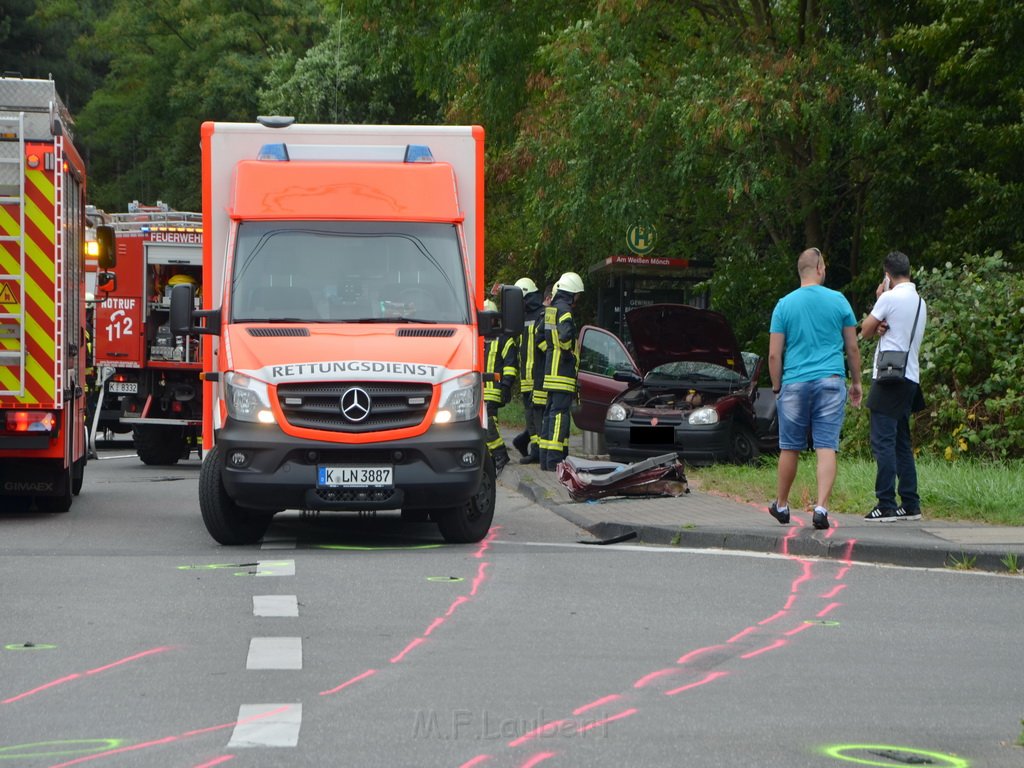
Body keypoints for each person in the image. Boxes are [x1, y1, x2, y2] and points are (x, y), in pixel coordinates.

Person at [767, 247, 862, 530]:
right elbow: (852, 347)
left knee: (789, 447)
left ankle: (782, 505)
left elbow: (774, 354)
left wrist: (776, 387)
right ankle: (820, 507)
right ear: (820, 268)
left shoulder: (784, 305)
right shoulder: (839, 300)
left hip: (795, 382)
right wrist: (856, 381)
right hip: (831, 381)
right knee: (826, 446)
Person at [859, 250, 927, 522]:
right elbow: (888, 328)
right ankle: (910, 503)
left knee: (882, 441)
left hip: (888, 377)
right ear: (908, 271)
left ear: (887, 275)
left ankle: (885, 503)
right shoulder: (921, 302)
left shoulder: (888, 297)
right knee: (901, 441)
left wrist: (879, 298)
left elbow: (864, 330)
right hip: (910, 377)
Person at [538, 272, 584, 471]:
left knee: (550, 414)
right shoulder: (565, 311)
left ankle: (546, 458)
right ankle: (556, 460)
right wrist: (568, 352)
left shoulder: (552, 310)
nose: (578, 300)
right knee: (560, 415)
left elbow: (542, 334)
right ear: (572, 292)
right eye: (577, 295)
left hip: (550, 370)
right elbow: (565, 336)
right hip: (562, 371)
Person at [482, 299, 518, 474]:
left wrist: (505, 386)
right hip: (478, 390)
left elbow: (511, 365)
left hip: (494, 390)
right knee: (488, 423)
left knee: (488, 423)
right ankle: (492, 454)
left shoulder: (504, 339)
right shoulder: (478, 336)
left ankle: (499, 453)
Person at [511, 278, 544, 464]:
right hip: (527, 377)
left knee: (537, 415)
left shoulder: (541, 315)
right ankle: (533, 448)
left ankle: (537, 451)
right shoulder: (522, 317)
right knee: (530, 415)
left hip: (537, 377)